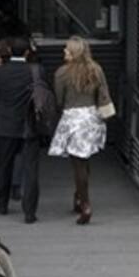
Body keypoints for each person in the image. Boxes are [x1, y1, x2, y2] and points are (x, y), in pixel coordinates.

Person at [48, 36, 112, 225]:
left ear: (73, 52)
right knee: (84, 160)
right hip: (92, 117)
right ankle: (79, 195)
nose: (64, 52)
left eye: (67, 50)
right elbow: (104, 93)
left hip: (73, 118)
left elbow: (59, 99)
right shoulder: (96, 69)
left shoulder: (61, 73)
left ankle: (85, 203)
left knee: (78, 164)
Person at [0, 36, 35, 219]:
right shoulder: (34, 71)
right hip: (28, 123)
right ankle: (27, 205)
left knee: (4, 164)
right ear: (28, 53)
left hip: (3, 123)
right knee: (29, 165)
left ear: (10, 52)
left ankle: (2, 202)